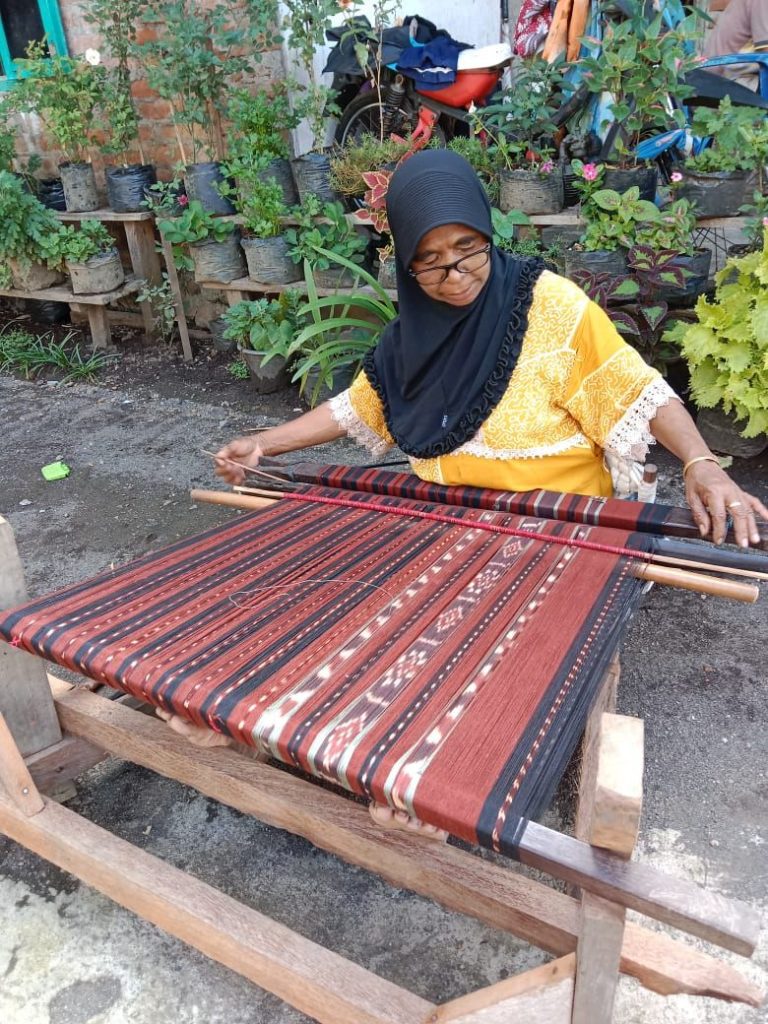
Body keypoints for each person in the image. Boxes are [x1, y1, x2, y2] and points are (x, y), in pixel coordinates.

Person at [164, 150, 767, 838]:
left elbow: (639, 392)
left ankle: (435, 771)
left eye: (467, 251)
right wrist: (266, 442)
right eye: (431, 261)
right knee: (346, 604)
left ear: (487, 232)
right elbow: (358, 409)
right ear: (406, 263)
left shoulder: (551, 311)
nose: (454, 277)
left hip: (554, 527)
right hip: (446, 521)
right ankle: (253, 708)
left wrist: (700, 463)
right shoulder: (409, 336)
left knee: (488, 646)